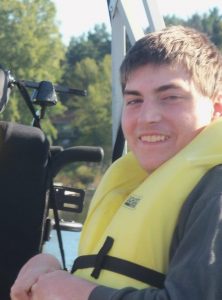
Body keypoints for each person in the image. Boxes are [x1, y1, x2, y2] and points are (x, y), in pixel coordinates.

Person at [11, 25, 222, 300]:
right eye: (134, 100)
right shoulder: (136, 183)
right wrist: (52, 272)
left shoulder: (214, 192)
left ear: (216, 109)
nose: (148, 117)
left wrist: (81, 294)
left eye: (170, 97)